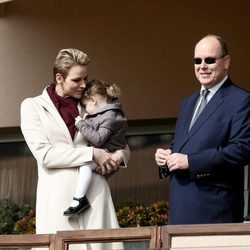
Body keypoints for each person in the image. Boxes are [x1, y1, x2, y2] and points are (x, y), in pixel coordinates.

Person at [20, 48, 130, 250]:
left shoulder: (92, 102)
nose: (84, 85)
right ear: (59, 78)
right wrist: (92, 153)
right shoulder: (32, 106)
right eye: (77, 80)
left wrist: (117, 158)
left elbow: (120, 139)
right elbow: (45, 155)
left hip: (96, 198)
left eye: (85, 79)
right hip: (57, 202)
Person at [155, 34, 250, 225]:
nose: (202, 66)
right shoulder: (188, 102)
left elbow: (242, 150)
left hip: (215, 210)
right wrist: (166, 157)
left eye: (210, 60)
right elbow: (181, 145)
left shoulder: (241, 100)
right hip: (180, 210)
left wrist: (191, 161)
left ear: (226, 62)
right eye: (197, 61)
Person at [64, 79, 127, 216]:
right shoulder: (107, 114)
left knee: (86, 165)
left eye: (85, 106)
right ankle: (79, 198)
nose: (86, 110)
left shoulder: (110, 116)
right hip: (107, 153)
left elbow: (98, 139)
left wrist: (81, 124)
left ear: (93, 100)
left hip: (107, 154)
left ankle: (79, 199)